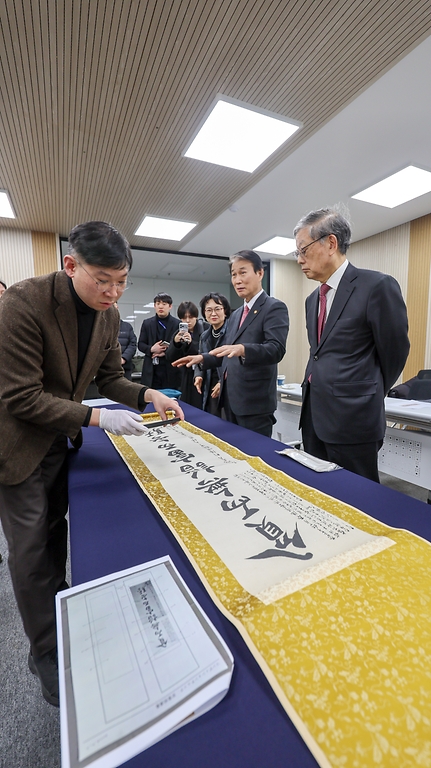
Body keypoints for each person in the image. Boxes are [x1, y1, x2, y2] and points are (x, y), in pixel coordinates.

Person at [0, 221, 183, 707]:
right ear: (70, 265)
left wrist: (146, 394)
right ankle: (45, 653)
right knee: (29, 549)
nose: (113, 291)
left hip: (60, 439)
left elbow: (111, 378)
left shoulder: (108, 315)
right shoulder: (22, 304)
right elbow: (21, 397)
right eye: (103, 279)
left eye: (121, 280)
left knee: (55, 532)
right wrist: (97, 417)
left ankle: (58, 605)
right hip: (17, 445)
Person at [294, 206, 410, 482]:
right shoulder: (313, 300)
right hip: (314, 417)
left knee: (358, 501)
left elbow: (395, 352)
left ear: (331, 243)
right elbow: (318, 355)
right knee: (319, 493)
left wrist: (366, 394)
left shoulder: (376, 286)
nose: (299, 259)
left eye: (303, 250)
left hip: (354, 420)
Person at [173, 250, 289, 437]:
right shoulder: (236, 315)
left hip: (254, 403)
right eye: (234, 274)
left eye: (243, 272)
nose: (237, 280)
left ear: (260, 273)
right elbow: (227, 353)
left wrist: (243, 349)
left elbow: (276, 349)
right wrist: (202, 358)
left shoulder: (274, 307)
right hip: (230, 401)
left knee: (256, 457)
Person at [194, 293, 231, 417]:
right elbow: (201, 358)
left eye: (217, 309)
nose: (213, 314)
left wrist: (223, 382)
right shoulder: (204, 336)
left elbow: (236, 362)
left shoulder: (233, 332)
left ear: (225, 311)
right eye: (209, 310)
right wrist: (198, 376)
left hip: (228, 385)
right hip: (209, 384)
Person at [165, 301, 208, 408]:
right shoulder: (178, 333)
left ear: (196, 317)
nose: (188, 321)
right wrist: (175, 343)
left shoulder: (205, 329)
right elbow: (169, 357)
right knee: (187, 405)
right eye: (184, 318)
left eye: (191, 317)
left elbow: (204, 352)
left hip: (203, 374)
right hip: (186, 375)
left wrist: (190, 343)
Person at [138, 292, 180, 391]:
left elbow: (181, 348)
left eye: (164, 304)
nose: (160, 306)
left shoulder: (177, 324)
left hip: (170, 370)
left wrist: (165, 352)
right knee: (150, 400)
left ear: (170, 306)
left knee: (171, 400)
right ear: (154, 306)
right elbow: (140, 344)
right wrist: (152, 349)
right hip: (151, 370)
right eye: (158, 303)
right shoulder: (147, 323)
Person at [114, 302, 137, 380]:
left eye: (115, 307)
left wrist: (124, 358)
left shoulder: (127, 327)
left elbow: (133, 344)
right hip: (106, 368)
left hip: (125, 368)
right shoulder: (101, 327)